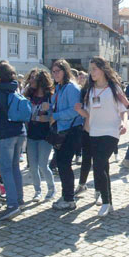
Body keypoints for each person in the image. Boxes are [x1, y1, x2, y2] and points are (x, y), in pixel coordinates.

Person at [85, 56, 128, 216]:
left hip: (111, 131)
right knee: (103, 167)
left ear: (102, 69)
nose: (92, 73)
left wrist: (123, 123)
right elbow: (89, 111)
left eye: (94, 69)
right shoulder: (90, 89)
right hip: (94, 132)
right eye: (90, 70)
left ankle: (105, 201)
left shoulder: (114, 88)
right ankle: (108, 202)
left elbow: (124, 109)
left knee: (99, 164)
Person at [0, 61, 26, 221]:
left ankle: (12, 205)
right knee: (15, 167)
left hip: (6, 133)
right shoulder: (15, 88)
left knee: (5, 169)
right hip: (20, 131)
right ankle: (19, 200)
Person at [49, 59, 82, 210]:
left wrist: (55, 116)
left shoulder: (71, 88)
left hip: (72, 130)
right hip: (62, 130)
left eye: (58, 71)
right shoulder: (59, 88)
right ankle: (66, 194)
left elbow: (75, 111)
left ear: (65, 71)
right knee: (62, 165)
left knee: (64, 164)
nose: (55, 74)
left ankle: (69, 198)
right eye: (53, 71)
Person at [24, 69, 57, 202]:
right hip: (31, 134)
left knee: (43, 165)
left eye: (33, 78)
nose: (31, 80)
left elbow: (55, 113)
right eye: (30, 78)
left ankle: (51, 188)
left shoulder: (50, 95)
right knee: (32, 166)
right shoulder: (28, 95)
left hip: (45, 135)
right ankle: (37, 191)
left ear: (41, 80)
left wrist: (48, 117)